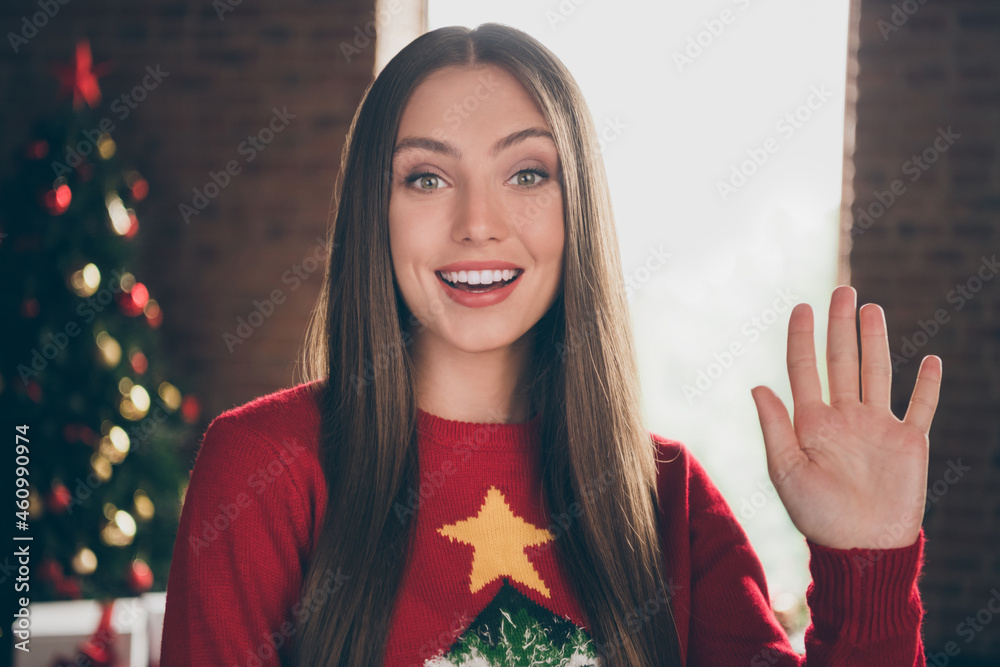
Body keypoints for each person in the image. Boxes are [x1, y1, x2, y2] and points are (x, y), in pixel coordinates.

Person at [159, 23, 942, 667]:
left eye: (527, 175)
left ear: (579, 212)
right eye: (426, 178)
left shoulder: (669, 498)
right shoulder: (262, 470)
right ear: (375, 210)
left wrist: (866, 561)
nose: (478, 222)